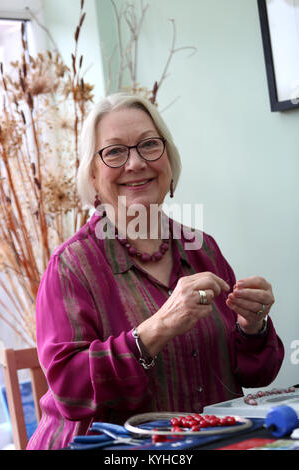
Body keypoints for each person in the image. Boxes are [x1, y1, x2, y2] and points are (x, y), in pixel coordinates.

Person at [27, 93, 284, 450]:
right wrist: (156, 328)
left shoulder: (202, 248)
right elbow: (69, 391)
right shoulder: (71, 265)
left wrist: (251, 326)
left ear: (168, 160)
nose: (135, 163)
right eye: (114, 151)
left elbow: (257, 373)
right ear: (93, 174)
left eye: (149, 145)